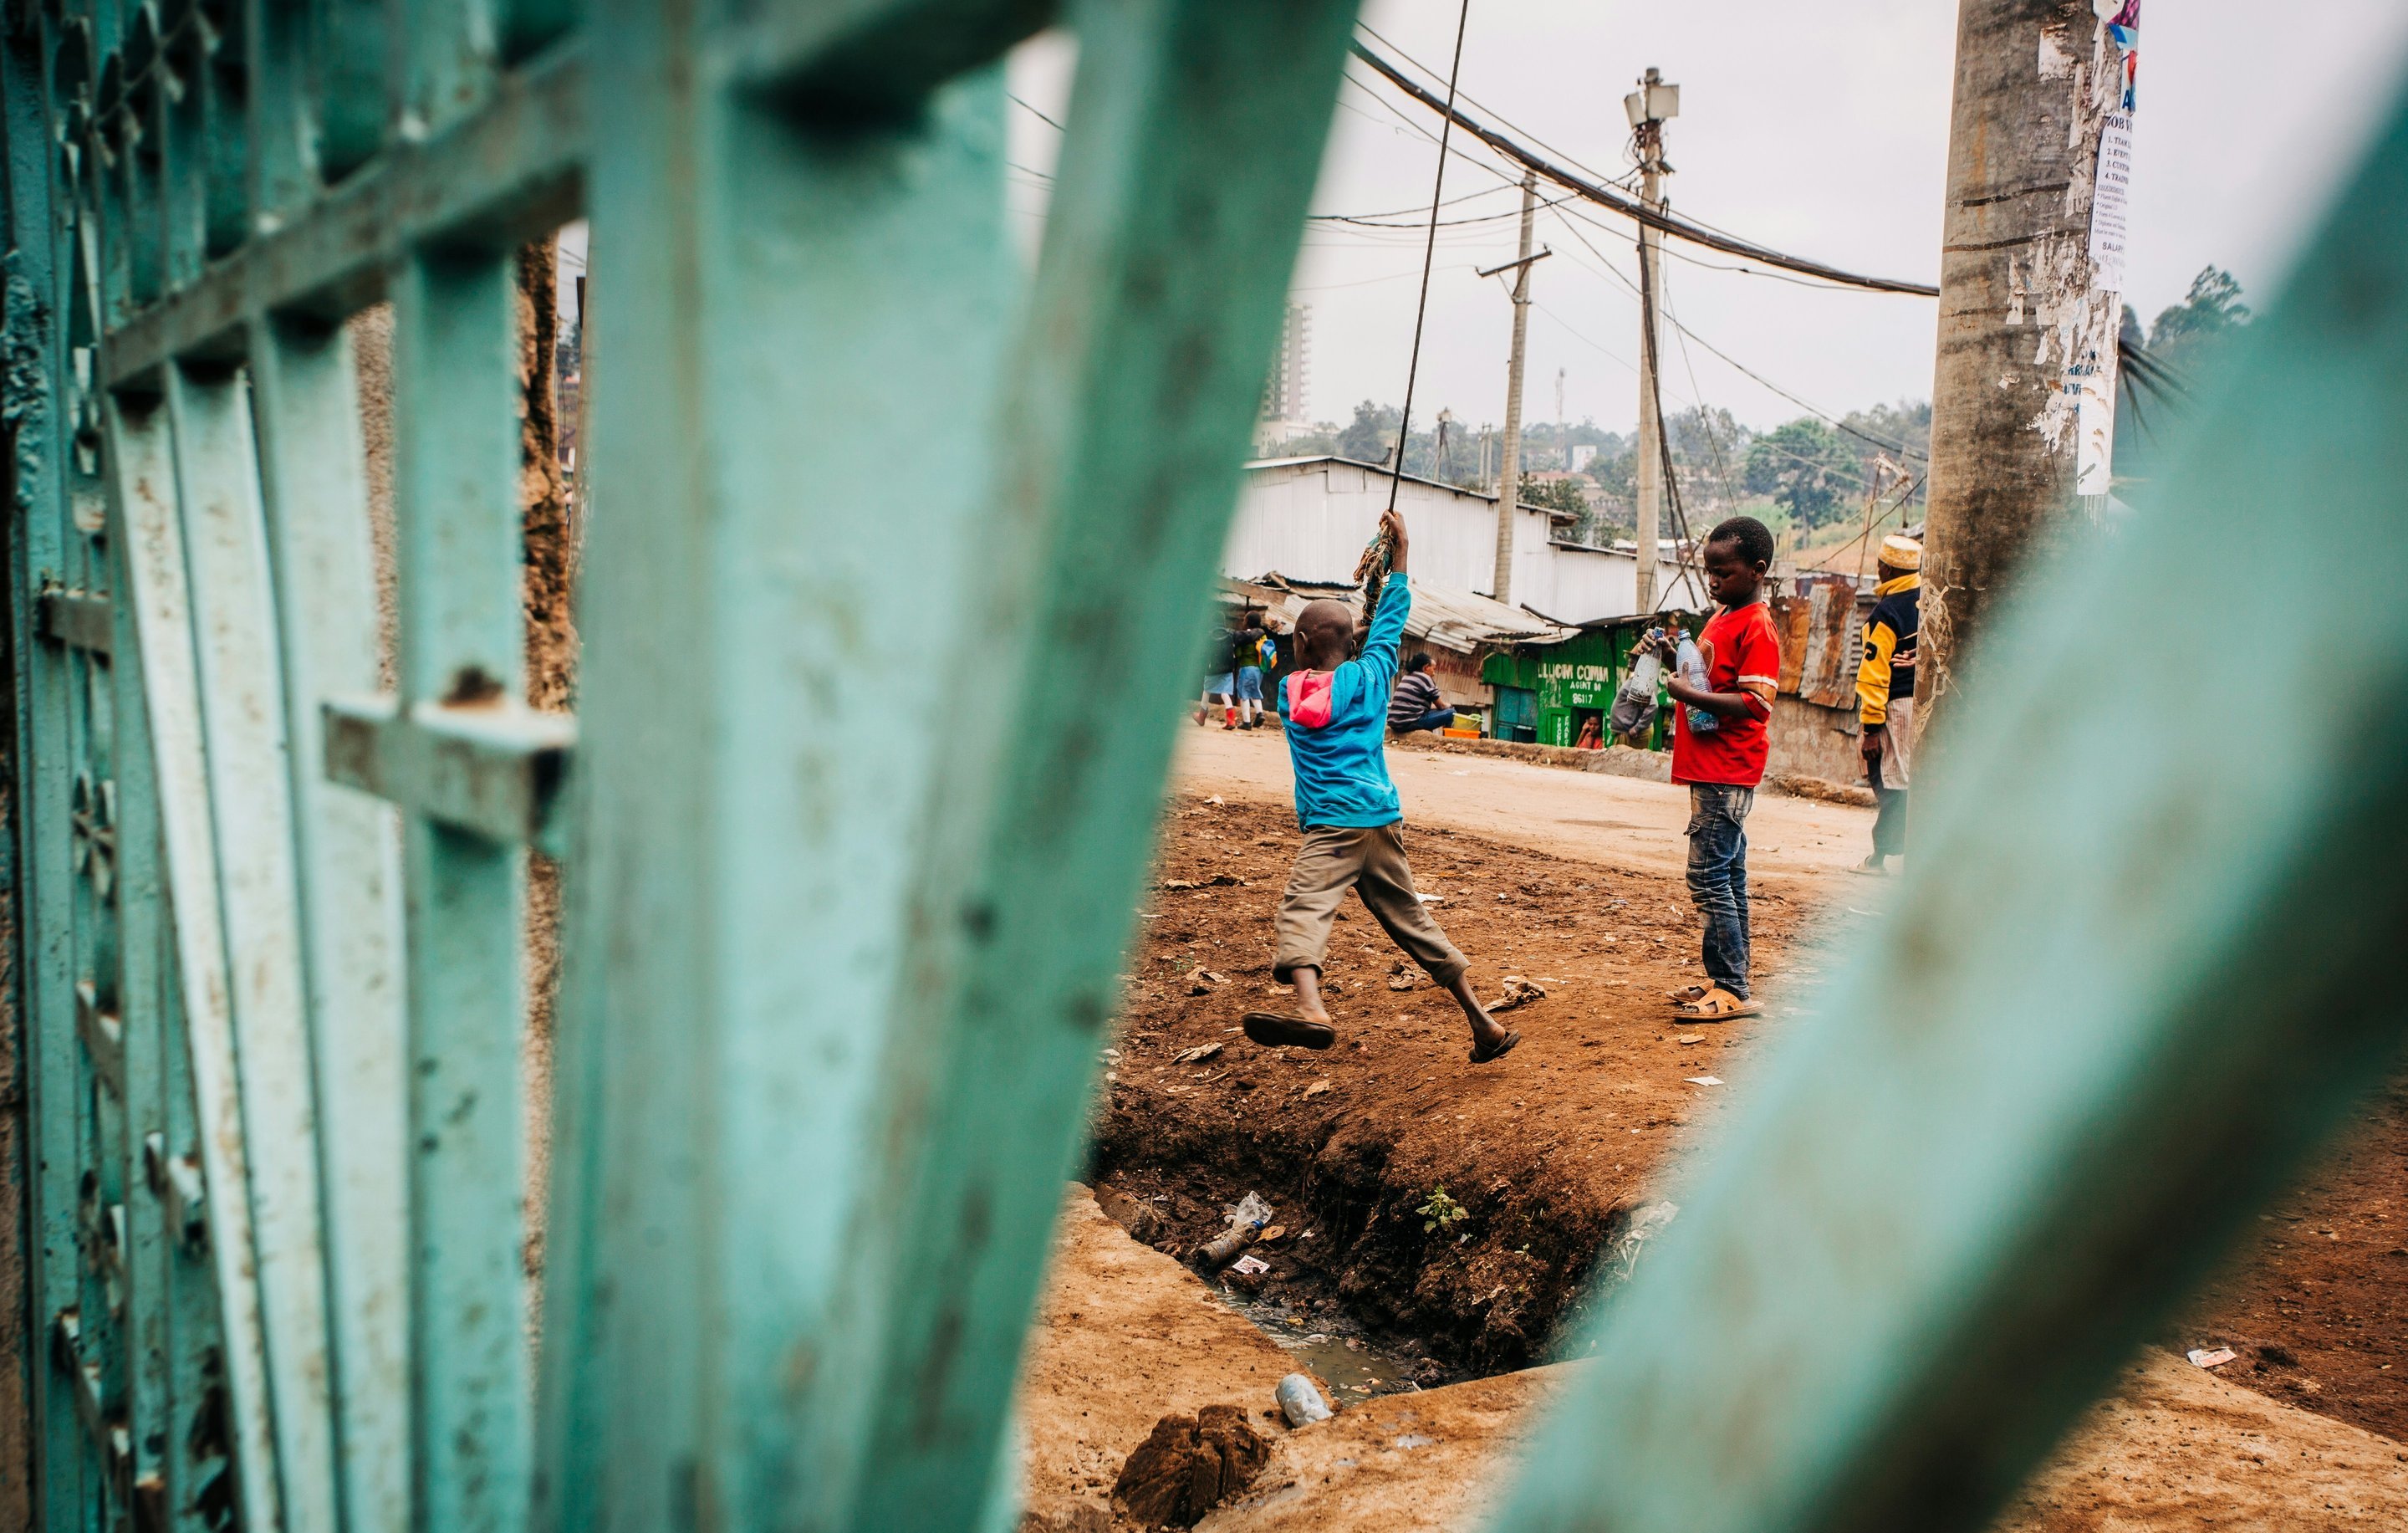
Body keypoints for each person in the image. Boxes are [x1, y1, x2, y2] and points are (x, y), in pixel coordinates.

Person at [1244, 509, 1518, 1065]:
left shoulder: (1291, 693)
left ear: (1301, 643)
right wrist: (1400, 554)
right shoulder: (1371, 677)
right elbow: (1389, 625)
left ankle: (1311, 1009)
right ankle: (1484, 1024)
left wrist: (1357, 627)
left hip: (1332, 827)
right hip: (1381, 821)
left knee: (1304, 908)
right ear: (1351, 645)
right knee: (1413, 921)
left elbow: (1350, 652)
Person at [1661, 515, 1782, 1022]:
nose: (1713, 582)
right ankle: (1728, 979)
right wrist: (1672, 656)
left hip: (1726, 769)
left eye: (1723, 573)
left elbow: (1757, 703)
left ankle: (1731, 987)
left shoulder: (1757, 625)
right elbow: (1709, 673)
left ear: (1757, 570)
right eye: (1709, 572)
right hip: (1712, 767)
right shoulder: (1724, 617)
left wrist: (1688, 694)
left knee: (1708, 876)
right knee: (1728, 876)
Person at [1854, 534, 1921, 874]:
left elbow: (1874, 675)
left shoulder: (1887, 613)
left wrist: (1871, 729)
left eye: (1881, 565)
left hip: (1895, 708)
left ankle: (1887, 856)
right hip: (1922, 704)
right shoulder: (1928, 600)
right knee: (1906, 779)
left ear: (1887, 569)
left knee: (1892, 780)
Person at [1386, 652, 1455, 735]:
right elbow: (1441, 706)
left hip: (1395, 723)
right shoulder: (1424, 678)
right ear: (1426, 667)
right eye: (1433, 669)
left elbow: (1420, 706)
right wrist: (1449, 705)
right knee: (1452, 712)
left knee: (1432, 713)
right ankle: (1448, 738)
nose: (1434, 673)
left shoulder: (1407, 677)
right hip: (1408, 723)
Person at [1234, 614, 1270, 729]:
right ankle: (1260, 713)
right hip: (1259, 669)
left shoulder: (1245, 636)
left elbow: (1239, 654)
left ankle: (1247, 722)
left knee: (1244, 694)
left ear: (1248, 621)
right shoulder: (1262, 636)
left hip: (1247, 668)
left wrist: (1236, 646)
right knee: (1254, 691)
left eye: (1245, 619)